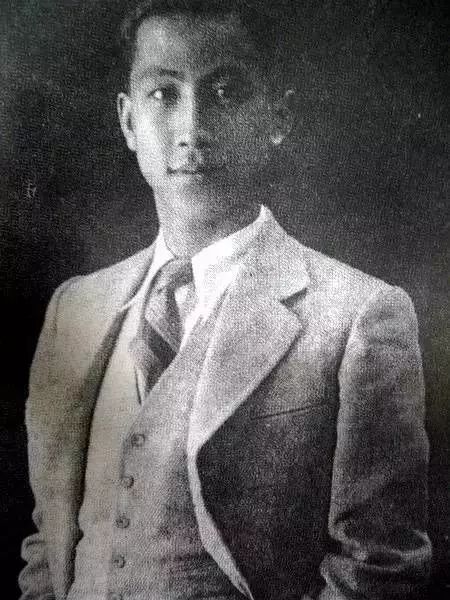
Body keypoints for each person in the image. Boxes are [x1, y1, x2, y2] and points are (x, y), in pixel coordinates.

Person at [19, 1, 432, 599]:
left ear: (276, 118)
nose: (192, 128)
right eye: (164, 94)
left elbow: (378, 567)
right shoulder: (74, 308)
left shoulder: (357, 316)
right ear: (129, 122)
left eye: (225, 92)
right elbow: (47, 546)